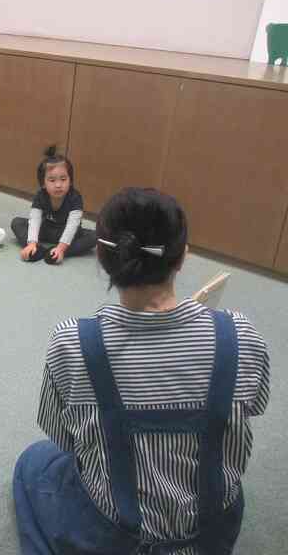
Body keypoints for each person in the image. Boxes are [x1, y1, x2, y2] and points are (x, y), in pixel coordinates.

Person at [13, 188, 270, 555]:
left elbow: (67, 441)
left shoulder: (72, 342)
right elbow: (255, 405)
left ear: (102, 256)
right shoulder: (240, 334)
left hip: (114, 534)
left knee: (35, 461)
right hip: (212, 532)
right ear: (182, 256)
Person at [11, 145, 95, 265]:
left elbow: (72, 225)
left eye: (63, 179)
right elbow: (35, 219)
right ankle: (36, 249)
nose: (58, 185)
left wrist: (61, 248)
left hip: (67, 232)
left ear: (70, 181)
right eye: (52, 180)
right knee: (17, 222)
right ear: (43, 183)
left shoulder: (75, 197)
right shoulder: (41, 195)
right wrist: (32, 243)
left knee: (96, 236)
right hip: (46, 230)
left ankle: (56, 252)